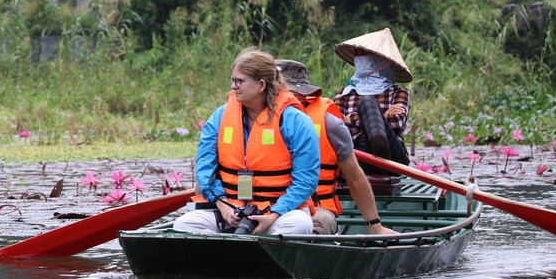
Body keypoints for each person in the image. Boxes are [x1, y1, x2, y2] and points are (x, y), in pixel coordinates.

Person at [175, 48, 318, 235]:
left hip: (279, 214)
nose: (233, 86)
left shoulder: (295, 121)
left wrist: (273, 215)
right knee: (184, 224)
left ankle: (264, 255)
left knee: (299, 225)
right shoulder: (220, 117)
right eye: (233, 80)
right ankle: (224, 256)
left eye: (239, 81)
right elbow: (205, 168)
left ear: (260, 85)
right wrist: (223, 205)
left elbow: (306, 180)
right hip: (230, 210)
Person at [277, 59, 397, 236]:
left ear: (302, 94)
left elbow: (354, 176)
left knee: (316, 224)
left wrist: (374, 225)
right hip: (265, 204)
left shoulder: (329, 122)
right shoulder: (249, 119)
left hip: (316, 207)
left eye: (291, 93)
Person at [332, 28, 412, 166]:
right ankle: (376, 142)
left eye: (365, 55)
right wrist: (382, 116)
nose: (360, 59)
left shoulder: (399, 92)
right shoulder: (345, 92)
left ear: (381, 60)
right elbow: (336, 125)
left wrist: (350, 118)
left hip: (393, 156)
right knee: (367, 106)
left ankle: (380, 144)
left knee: (368, 102)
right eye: (358, 55)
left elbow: (397, 123)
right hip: (357, 151)